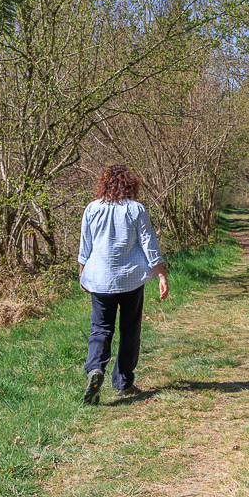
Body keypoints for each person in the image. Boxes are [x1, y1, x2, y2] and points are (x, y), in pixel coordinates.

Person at [77, 164, 168, 404]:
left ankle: (95, 369)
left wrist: (82, 274)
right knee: (130, 330)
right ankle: (124, 382)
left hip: (100, 280)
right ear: (130, 185)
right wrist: (161, 275)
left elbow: (85, 246)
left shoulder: (92, 209)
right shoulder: (135, 209)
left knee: (100, 328)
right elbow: (149, 243)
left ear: (104, 184)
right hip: (131, 280)